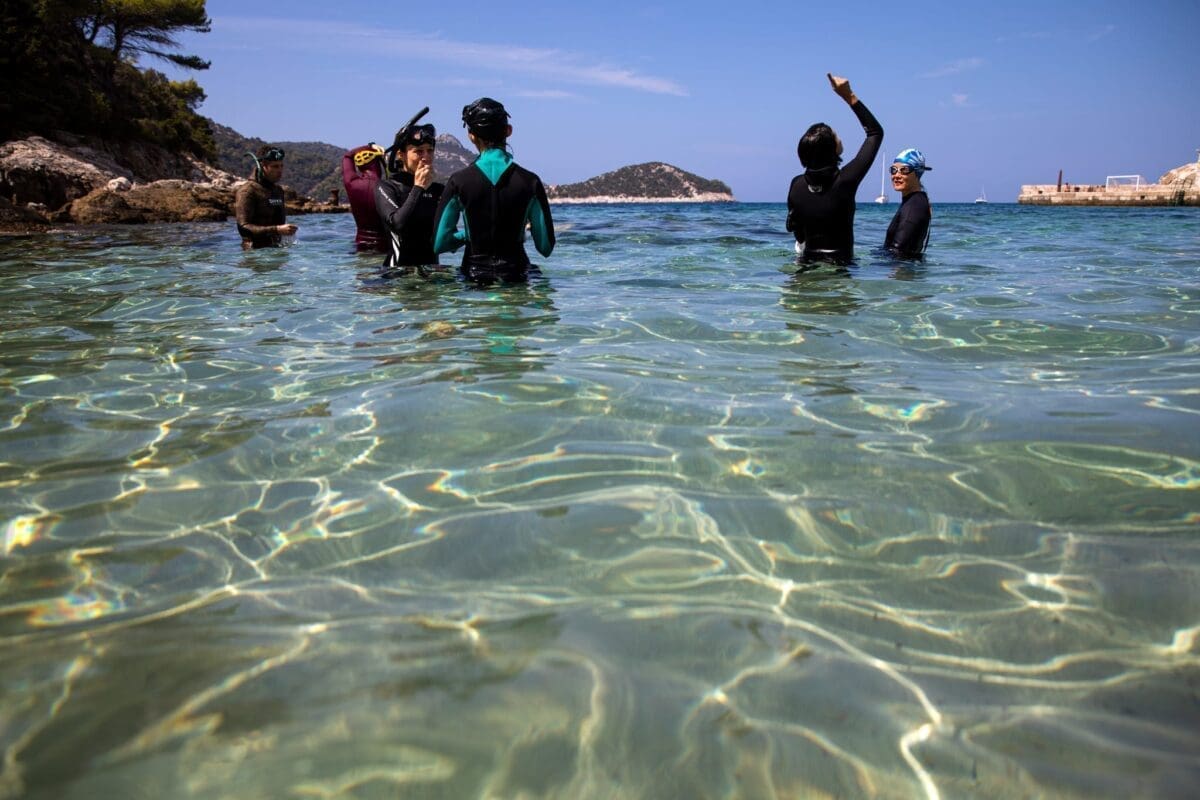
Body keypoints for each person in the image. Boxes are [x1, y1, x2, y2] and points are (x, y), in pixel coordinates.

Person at [433, 97, 554, 282]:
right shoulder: (531, 182)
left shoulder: (458, 181)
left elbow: (440, 243)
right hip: (516, 275)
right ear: (508, 131)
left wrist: (469, 234)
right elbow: (545, 247)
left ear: (471, 136)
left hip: (473, 277)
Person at [786, 74, 883, 264]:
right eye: (836, 136)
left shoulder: (796, 185)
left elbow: (797, 233)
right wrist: (849, 96)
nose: (840, 138)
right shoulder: (845, 180)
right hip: (841, 268)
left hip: (806, 266)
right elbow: (875, 133)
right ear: (829, 148)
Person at [375, 118, 443, 271]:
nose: (426, 157)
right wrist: (418, 187)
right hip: (397, 275)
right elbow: (397, 224)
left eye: (430, 150)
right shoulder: (387, 187)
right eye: (418, 151)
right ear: (401, 154)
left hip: (431, 273)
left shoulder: (439, 190)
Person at [235, 145, 296, 250]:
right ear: (262, 166)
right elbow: (243, 228)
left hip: (276, 251)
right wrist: (276, 230)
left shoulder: (278, 191)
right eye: (275, 166)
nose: (280, 170)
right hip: (254, 253)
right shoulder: (247, 191)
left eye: (281, 166)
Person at [884, 148, 932, 257]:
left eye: (904, 170)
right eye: (893, 170)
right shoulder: (915, 201)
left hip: (903, 271)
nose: (896, 175)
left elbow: (897, 251)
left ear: (917, 173)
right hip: (908, 270)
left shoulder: (914, 206)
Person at [342, 143, 387, 252]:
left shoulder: (351, 183)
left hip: (360, 245)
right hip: (383, 246)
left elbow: (347, 156)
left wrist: (369, 146)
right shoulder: (388, 188)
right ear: (377, 164)